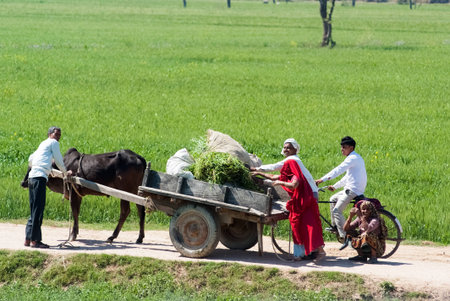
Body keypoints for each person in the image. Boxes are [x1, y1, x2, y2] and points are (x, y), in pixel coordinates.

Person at [251, 139, 325, 261]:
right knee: (304, 224)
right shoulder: (291, 164)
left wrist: (256, 169)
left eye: (289, 148)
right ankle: (308, 252)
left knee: (309, 224)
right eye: (285, 147)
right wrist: (261, 176)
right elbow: (278, 176)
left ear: (295, 150)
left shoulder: (292, 161)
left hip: (306, 196)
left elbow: (282, 175)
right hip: (305, 195)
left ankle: (319, 252)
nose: (286, 149)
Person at [25, 126, 72, 248]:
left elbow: (31, 159)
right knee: (38, 209)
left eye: (59, 135)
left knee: (33, 208)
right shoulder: (53, 143)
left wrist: (44, 167)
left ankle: (28, 238)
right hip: (40, 178)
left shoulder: (43, 144)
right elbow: (58, 160)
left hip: (32, 177)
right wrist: (65, 172)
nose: (58, 137)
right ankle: (35, 241)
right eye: (56, 134)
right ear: (50, 134)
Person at [315, 136, 367, 246]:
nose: (342, 149)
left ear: (351, 148)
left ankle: (345, 236)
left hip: (353, 190)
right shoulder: (355, 158)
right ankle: (336, 226)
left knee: (337, 211)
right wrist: (335, 186)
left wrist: (322, 179)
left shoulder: (352, 158)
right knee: (332, 199)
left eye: (344, 147)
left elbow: (338, 170)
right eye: (341, 147)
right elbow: (347, 177)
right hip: (351, 187)